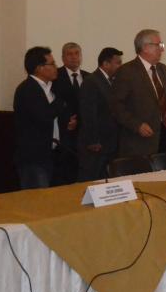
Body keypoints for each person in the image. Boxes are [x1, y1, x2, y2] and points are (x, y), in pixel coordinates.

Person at [13, 47, 77, 189]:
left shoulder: (52, 88)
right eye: (52, 64)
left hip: (54, 154)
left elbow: (57, 116)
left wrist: (67, 123)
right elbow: (44, 116)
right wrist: (60, 102)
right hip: (34, 157)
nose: (56, 67)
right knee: (37, 198)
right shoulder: (27, 89)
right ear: (39, 68)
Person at [110, 29, 166, 159]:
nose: (162, 49)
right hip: (138, 142)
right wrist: (137, 125)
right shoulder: (127, 71)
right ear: (145, 47)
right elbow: (116, 106)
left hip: (165, 136)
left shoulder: (163, 69)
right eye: (159, 45)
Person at [78, 47, 123, 182]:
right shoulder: (91, 81)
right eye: (117, 63)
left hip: (110, 142)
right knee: (93, 179)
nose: (120, 66)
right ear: (106, 64)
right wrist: (93, 140)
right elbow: (88, 113)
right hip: (97, 144)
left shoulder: (112, 81)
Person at [50, 42, 83, 184]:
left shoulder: (89, 77)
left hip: (84, 136)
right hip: (64, 136)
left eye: (77, 53)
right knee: (64, 176)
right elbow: (52, 104)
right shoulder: (54, 77)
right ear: (63, 58)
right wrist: (66, 122)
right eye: (69, 54)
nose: (74, 57)